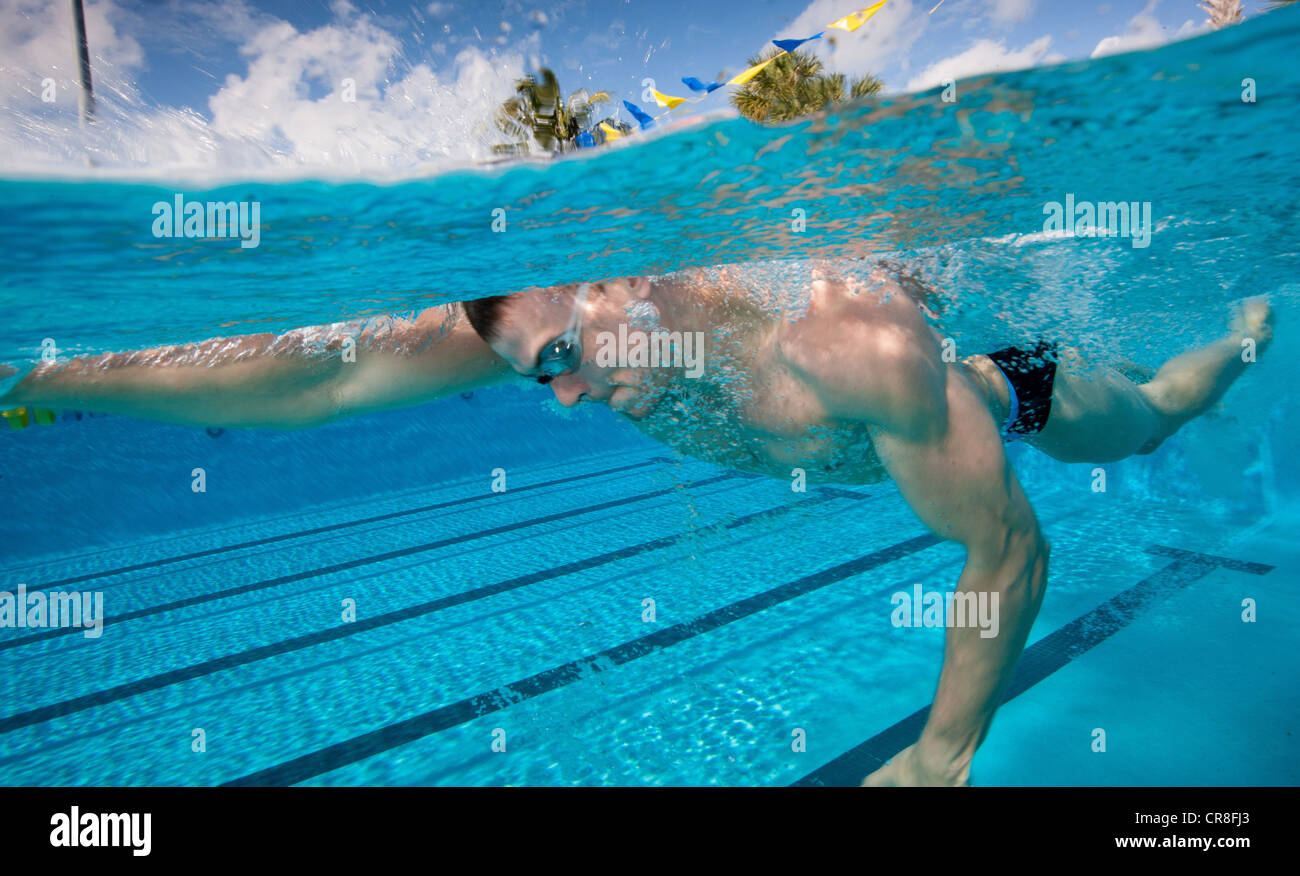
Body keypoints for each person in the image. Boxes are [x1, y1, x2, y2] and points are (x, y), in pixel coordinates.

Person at [1, 260, 1273, 785]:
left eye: (561, 356)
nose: (559, 399)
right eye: (529, 374)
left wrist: (938, 757)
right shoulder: (560, 324)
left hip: (1003, 387)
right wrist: (47, 369)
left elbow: (1005, 548)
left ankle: (1244, 335)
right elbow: (322, 375)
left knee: (1158, 410)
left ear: (623, 279)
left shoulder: (847, 341)